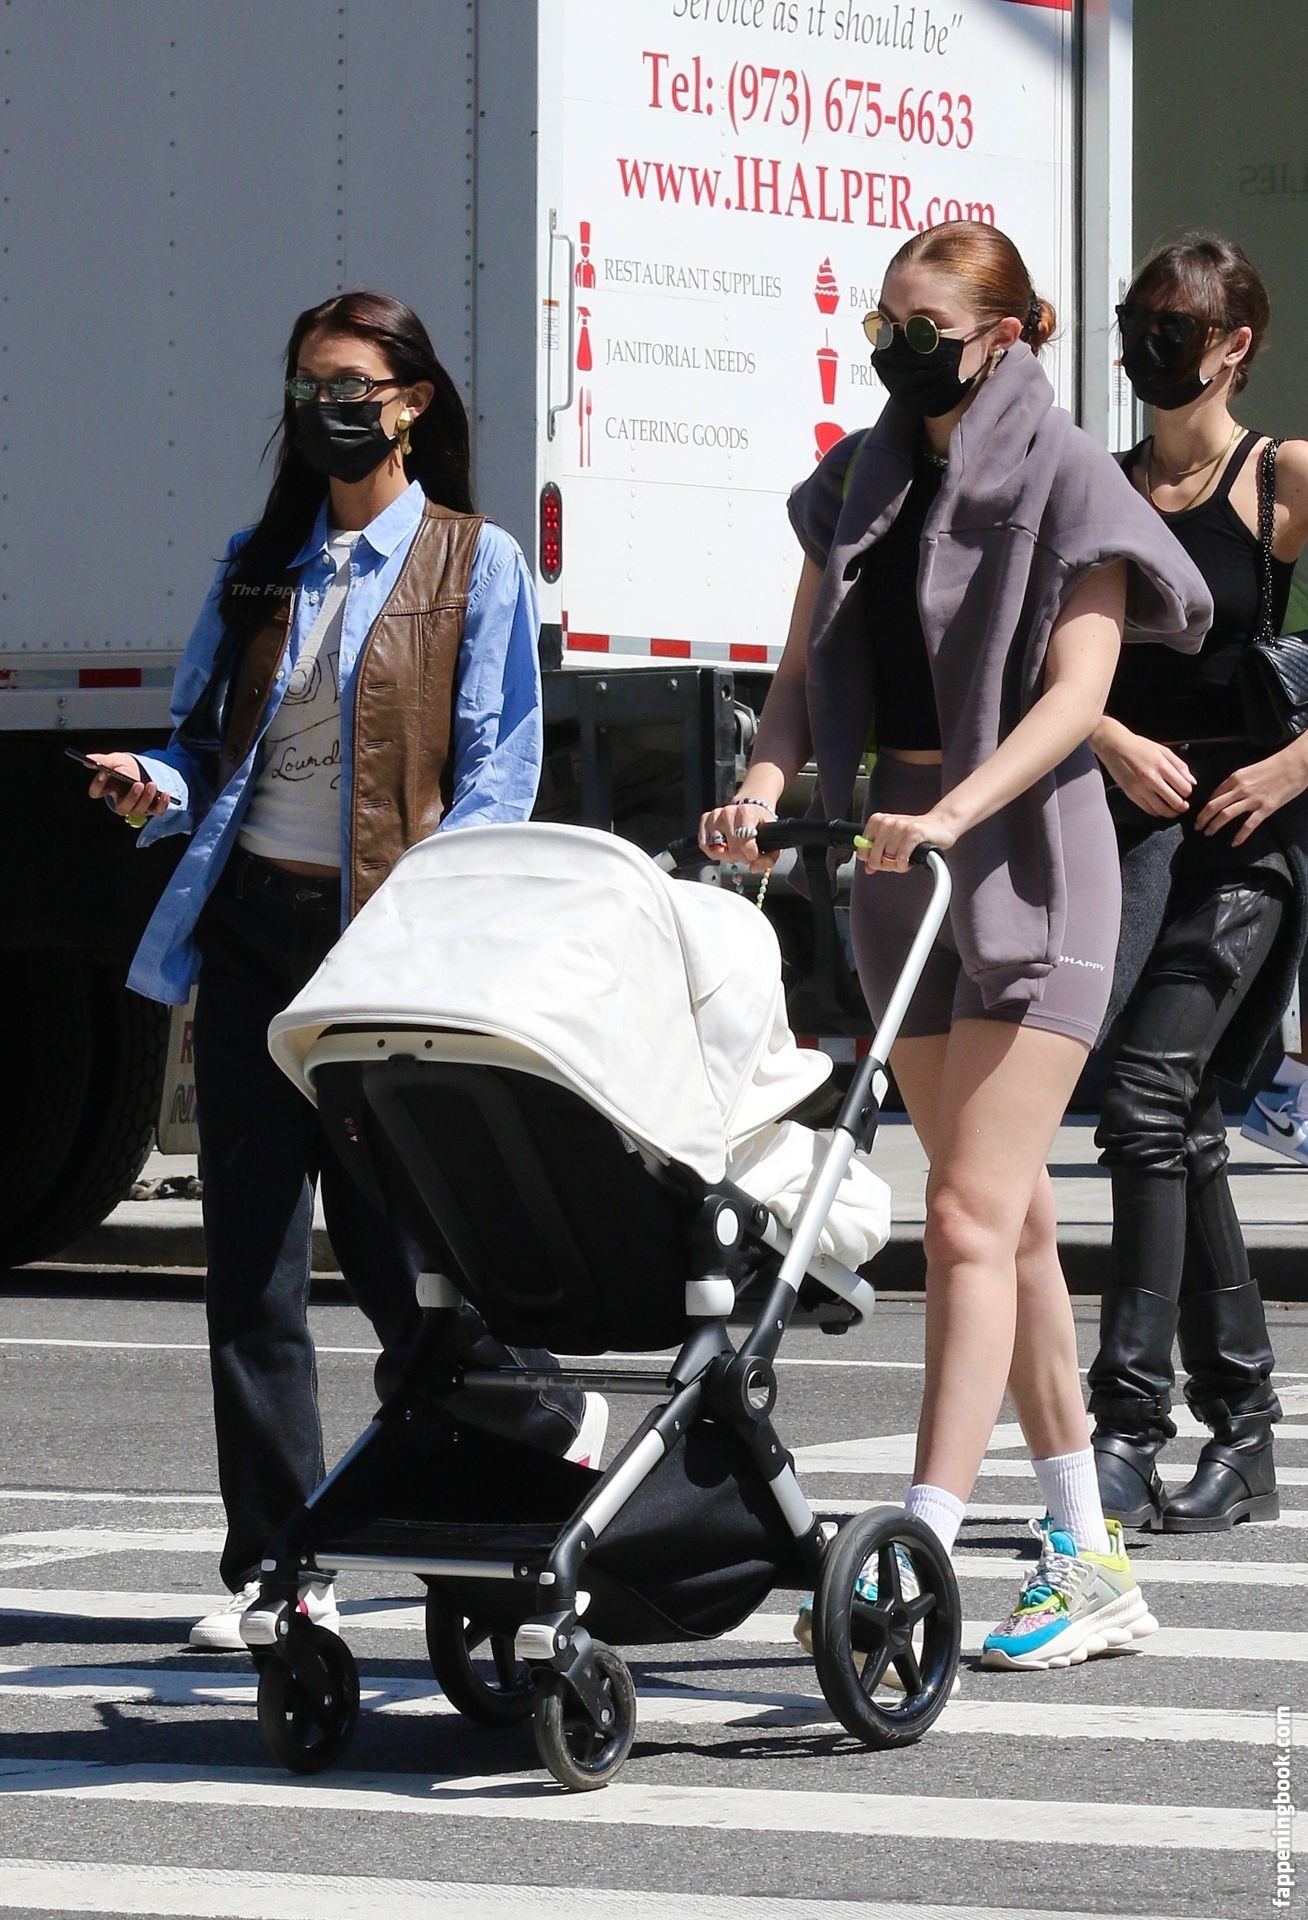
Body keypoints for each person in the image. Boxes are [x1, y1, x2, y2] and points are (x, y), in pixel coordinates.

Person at [700, 220, 1211, 1673]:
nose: (896, 349)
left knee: (968, 1218)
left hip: (1031, 864)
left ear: (1007, 334)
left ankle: (917, 1539)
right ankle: (1087, 1557)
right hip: (895, 869)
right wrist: (760, 787)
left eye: (923, 327)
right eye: (884, 325)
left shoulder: (1072, 475)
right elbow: (799, 673)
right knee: (1017, 1223)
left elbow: (1077, 699)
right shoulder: (857, 480)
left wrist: (954, 813)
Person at [82, 291, 601, 1650]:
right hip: (255, 935)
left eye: (353, 385)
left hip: (381, 950)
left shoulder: (473, 562)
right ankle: (279, 1566)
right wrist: (152, 784)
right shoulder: (260, 565)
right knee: (251, 1270)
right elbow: (203, 748)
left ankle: (532, 1433)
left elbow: (500, 766)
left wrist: (441, 924)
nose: (328, 408)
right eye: (309, 385)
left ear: (411, 401)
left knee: (401, 1257)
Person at [1088, 236, 1308, 1531]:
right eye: (1138, 322)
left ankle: (1125, 1430)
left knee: (1143, 1099)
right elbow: (1044, 658)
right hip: (1126, 842)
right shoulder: (1102, 485)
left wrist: (1292, 768)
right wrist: (1109, 738)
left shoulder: (1281, 477)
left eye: (1174, 326)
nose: (1149, 346)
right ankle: (1248, 1433)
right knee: (1181, 1121)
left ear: (1235, 345)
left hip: (1247, 842)